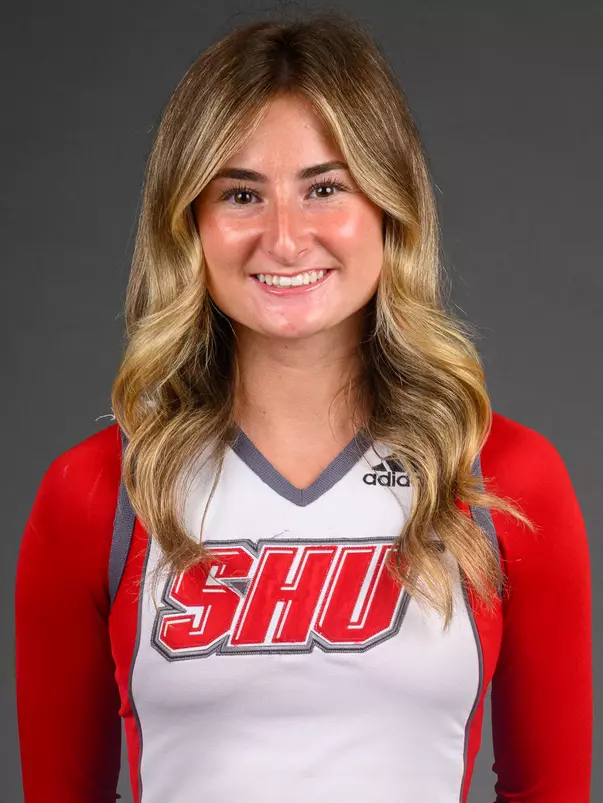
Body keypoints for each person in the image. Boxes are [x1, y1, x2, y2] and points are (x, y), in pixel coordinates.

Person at [15, 11, 592, 803]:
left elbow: (547, 791)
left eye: (324, 188)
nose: (285, 240)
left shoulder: (503, 482)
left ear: (389, 206)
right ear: (189, 223)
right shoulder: (98, 496)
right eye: (240, 193)